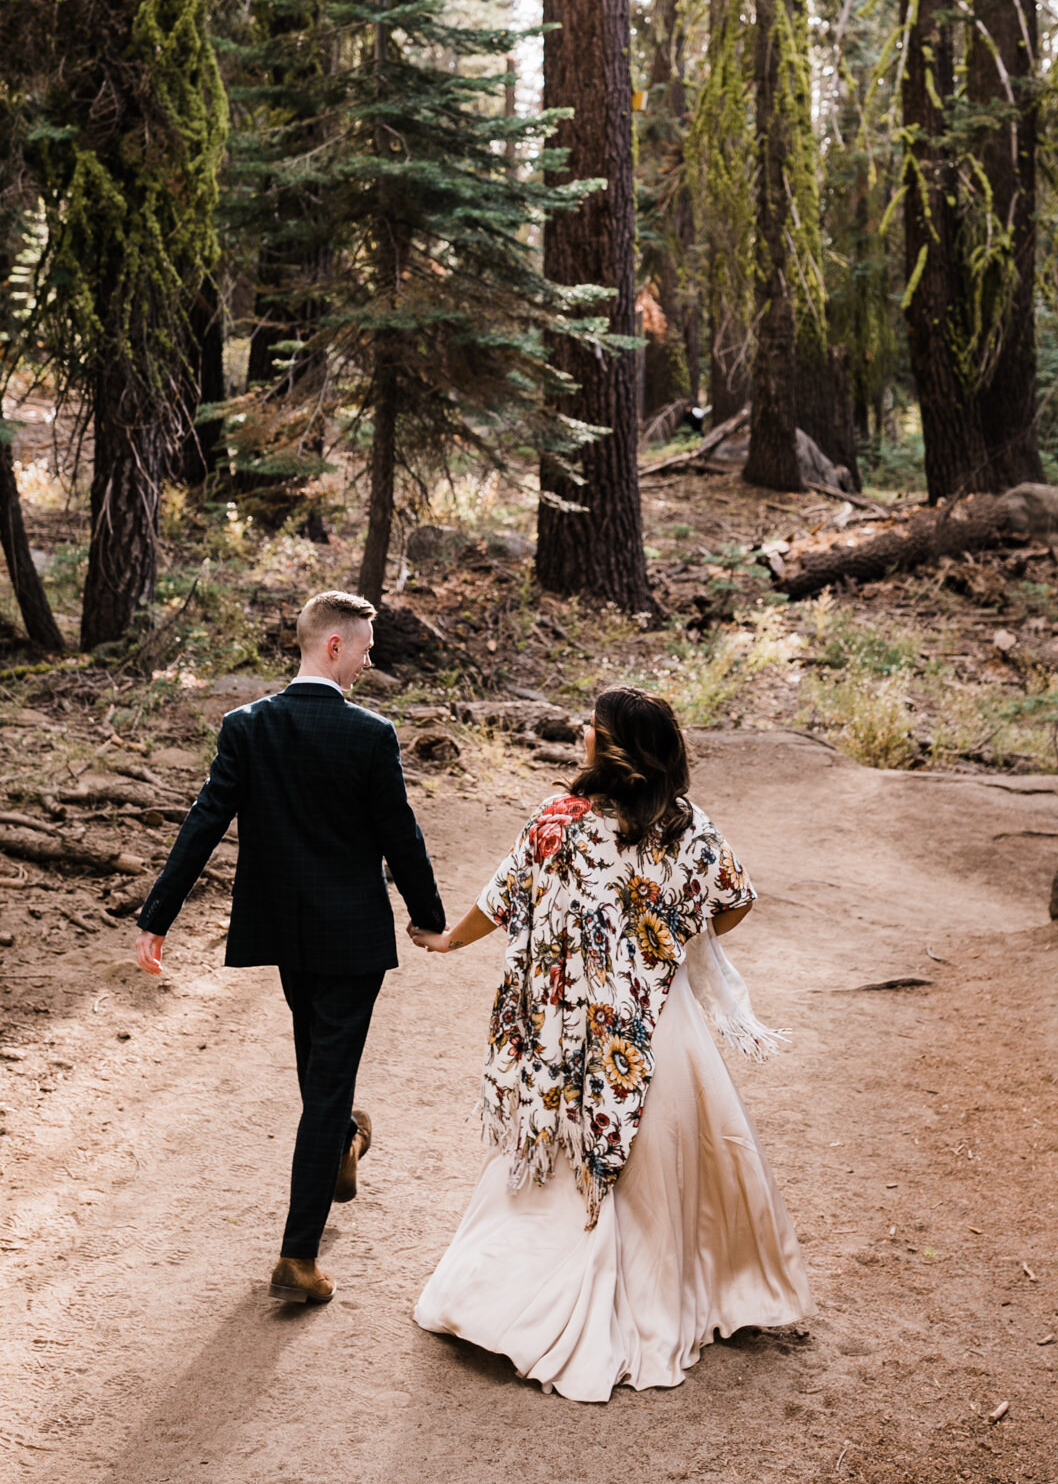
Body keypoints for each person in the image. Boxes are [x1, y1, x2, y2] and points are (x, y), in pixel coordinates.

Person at [409, 685, 812, 1401]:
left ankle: (542, 1292)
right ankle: (702, 1287)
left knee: (573, 1141)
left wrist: (445, 941)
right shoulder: (688, 825)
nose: (581, 734)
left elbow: (501, 901)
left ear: (613, 744)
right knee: (677, 1159)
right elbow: (737, 898)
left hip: (571, 1021)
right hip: (660, 1016)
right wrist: (665, 944)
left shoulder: (557, 822)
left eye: (590, 727)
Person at [133, 588, 445, 1306]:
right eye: (365, 648)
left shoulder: (249, 727)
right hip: (353, 939)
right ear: (333, 645)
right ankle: (297, 1258)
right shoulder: (369, 735)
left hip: (287, 936)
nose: (370, 663)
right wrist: (425, 916)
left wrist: (159, 915)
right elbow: (400, 834)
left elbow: (204, 821)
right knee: (327, 1080)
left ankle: (339, 1147)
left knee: (318, 1067)